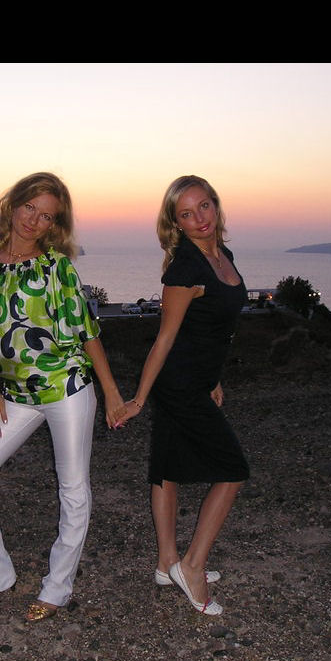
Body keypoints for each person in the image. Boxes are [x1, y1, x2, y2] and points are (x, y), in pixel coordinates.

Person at [0, 172, 126, 622]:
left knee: (73, 488)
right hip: (13, 395)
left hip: (66, 387)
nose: (34, 220)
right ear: (13, 204)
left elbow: (87, 331)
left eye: (46, 216)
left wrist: (111, 393)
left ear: (54, 225)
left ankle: (57, 588)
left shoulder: (56, 267)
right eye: (30, 207)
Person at [120, 175, 249, 616]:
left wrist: (214, 378)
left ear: (216, 204)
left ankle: (166, 564)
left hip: (197, 378)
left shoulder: (222, 255)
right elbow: (165, 338)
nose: (200, 219)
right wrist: (139, 399)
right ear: (176, 223)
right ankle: (191, 566)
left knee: (167, 468)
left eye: (204, 206)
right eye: (187, 214)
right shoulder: (185, 269)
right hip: (178, 384)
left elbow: (212, 328)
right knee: (233, 469)